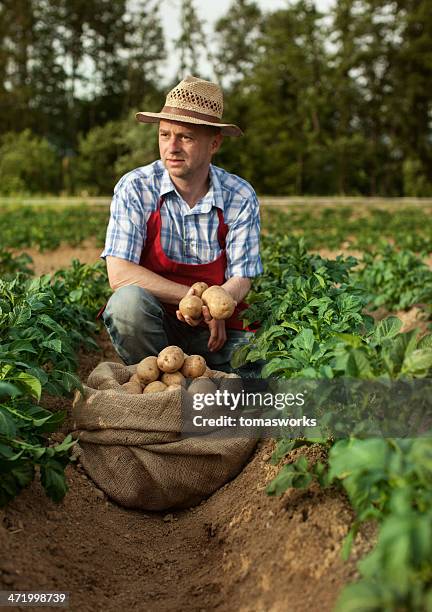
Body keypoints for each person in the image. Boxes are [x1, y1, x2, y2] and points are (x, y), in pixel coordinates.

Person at [100, 76, 263, 372]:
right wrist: (197, 302)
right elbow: (119, 273)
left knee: (265, 359)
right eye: (164, 135)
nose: (171, 147)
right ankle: (161, 379)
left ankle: (199, 381)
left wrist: (219, 306)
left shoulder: (239, 195)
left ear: (214, 143)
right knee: (127, 305)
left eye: (185, 137)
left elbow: (243, 275)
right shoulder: (135, 187)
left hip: (217, 330)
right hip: (158, 327)